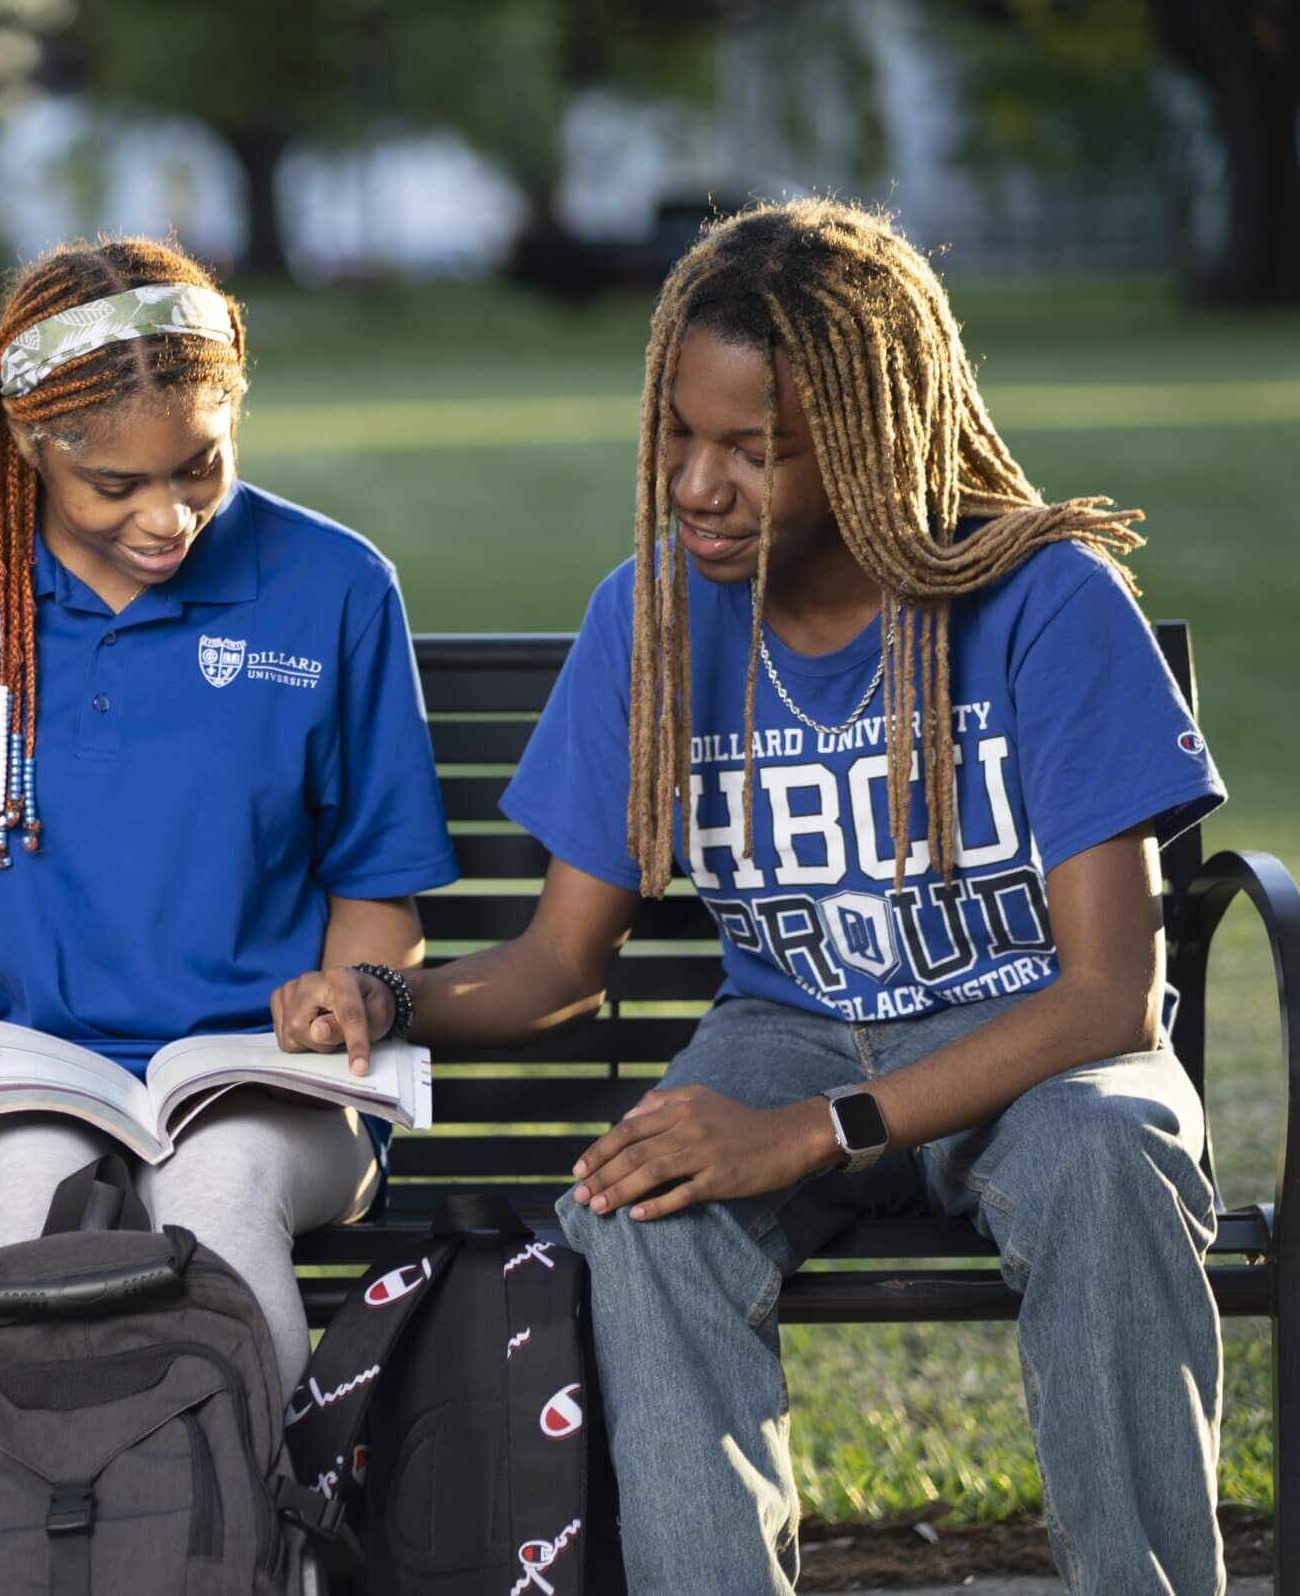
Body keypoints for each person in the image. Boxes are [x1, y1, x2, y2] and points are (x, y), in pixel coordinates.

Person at [269, 199, 1227, 1591]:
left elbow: (1105, 996)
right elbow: (557, 960)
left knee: (1107, 1155)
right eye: (677, 434)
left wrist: (813, 1131)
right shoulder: (651, 613)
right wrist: (389, 994)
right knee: (633, 1203)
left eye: (753, 450)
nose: (695, 485)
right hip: (787, 1026)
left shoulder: (1043, 599)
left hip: (1028, 1041)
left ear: (868, 438)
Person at [0, 236, 460, 1386]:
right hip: (13, 1082)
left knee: (217, 1189)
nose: (169, 518)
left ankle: (264, 1535)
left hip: (262, 1088)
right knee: (29, 1191)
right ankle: (41, 1537)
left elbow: (376, 891)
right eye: (117, 485)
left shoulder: (336, 585)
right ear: (27, 443)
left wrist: (338, 1013)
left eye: (200, 468)